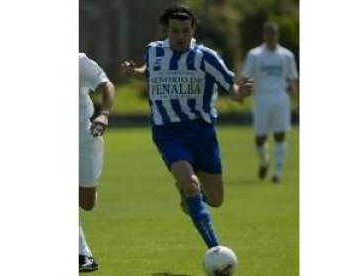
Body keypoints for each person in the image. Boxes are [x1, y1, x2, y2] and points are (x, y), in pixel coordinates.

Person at [121, 4, 253, 252]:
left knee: (215, 200)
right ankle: (216, 251)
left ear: (193, 29)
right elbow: (150, 72)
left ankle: (189, 198)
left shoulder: (207, 57)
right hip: (168, 132)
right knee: (190, 182)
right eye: (174, 31)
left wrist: (242, 92)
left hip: (202, 133)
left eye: (185, 30)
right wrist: (134, 71)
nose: (180, 36)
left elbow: (231, 90)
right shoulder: (154, 51)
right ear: (166, 31)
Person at [242, 21, 299, 183]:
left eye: (274, 33)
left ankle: (277, 173)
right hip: (261, 97)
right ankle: (264, 160)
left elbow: (294, 79)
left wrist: (299, 101)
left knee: (280, 135)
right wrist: (242, 94)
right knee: (260, 137)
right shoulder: (254, 55)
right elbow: (246, 77)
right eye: (268, 33)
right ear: (264, 35)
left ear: (277, 34)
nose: (271, 36)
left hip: (280, 97)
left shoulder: (287, 56)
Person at [79, 53, 115, 272]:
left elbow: (107, 85)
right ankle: (82, 254)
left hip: (85, 137)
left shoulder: (78, 61)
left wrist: (105, 114)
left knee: (86, 202)